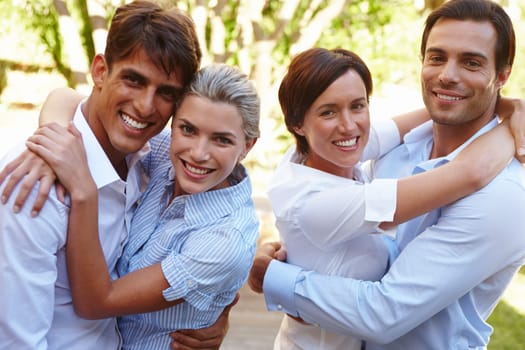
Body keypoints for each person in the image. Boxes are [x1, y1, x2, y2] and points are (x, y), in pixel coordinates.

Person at [248, 0, 525, 349]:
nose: (448, 75)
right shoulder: (395, 151)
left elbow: (382, 314)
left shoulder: (504, 197)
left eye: (471, 62)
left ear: (502, 76)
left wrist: (274, 277)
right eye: (437, 57)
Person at [0, 1, 215, 348]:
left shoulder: (153, 159)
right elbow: (17, 341)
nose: (146, 106)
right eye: (133, 80)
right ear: (100, 70)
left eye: (166, 93)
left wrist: (216, 317)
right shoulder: (35, 186)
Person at [21, 63, 260, 349]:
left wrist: (84, 192)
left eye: (222, 140)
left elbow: (97, 302)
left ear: (248, 145)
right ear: (173, 124)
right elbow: (66, 97)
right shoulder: (163, 154)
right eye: (188, 129)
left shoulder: (225, 241)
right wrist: (51, 143)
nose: (198, 153)